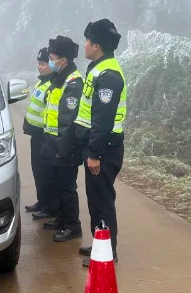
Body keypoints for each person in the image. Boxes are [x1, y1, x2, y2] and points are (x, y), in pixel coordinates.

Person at [75, 19, 126, 267]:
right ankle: (99, 242)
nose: (83, 45)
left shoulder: (109, 76)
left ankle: (107, 253)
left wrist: (94, 153)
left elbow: (103, 120)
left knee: (102, 200)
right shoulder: (97, 68)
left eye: (86, 42)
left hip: (104, 151)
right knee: (95, 199)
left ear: (96, 46)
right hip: (97, 148)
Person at [39, 36, 84, 242]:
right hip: (53, 142)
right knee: (57, 184)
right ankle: (62, 218)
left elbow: (68, 119)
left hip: (65, 146)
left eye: (52, 58)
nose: (49, 62)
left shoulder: (73, 82)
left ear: (63, 60)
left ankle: (73, 225)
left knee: (67, 188)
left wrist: (62, 147)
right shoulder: (58, 79)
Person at [23, 47, 55, 215]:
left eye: (43, 63)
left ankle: (49, 206)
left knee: (45, 173)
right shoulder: (41, 82)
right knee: (37, 170)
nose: (40, 67)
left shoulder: (51, 85)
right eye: (39, 63)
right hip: (36, 135)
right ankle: (42, 202)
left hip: (44, 136)